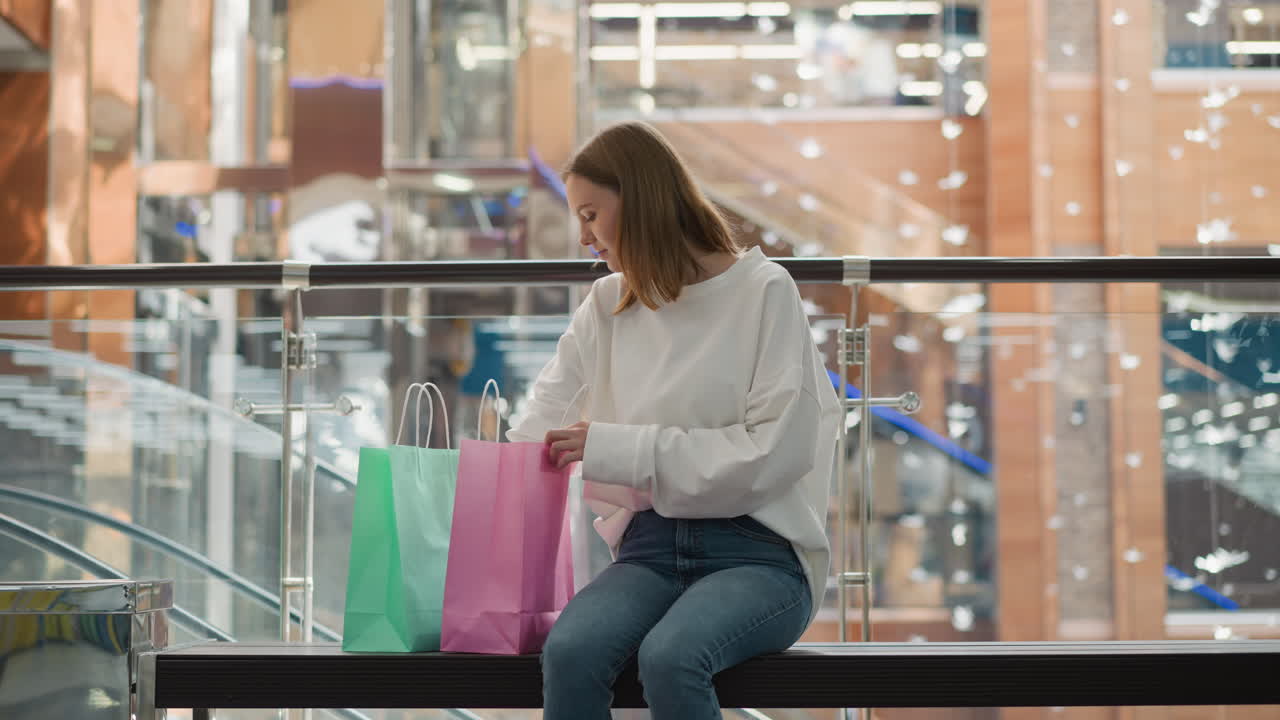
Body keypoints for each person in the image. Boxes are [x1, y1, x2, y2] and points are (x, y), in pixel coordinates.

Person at [505, 121, 841, 719]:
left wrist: (613, 448)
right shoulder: (606, 305)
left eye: (590, 214)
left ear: (637, 201)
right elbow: (538, 426)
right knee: (570, 652)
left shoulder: (763, 291)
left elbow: (773, 453)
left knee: (673, 657)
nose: (583, 236)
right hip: (649, 551)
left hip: (759, 555)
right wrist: (476, 480)